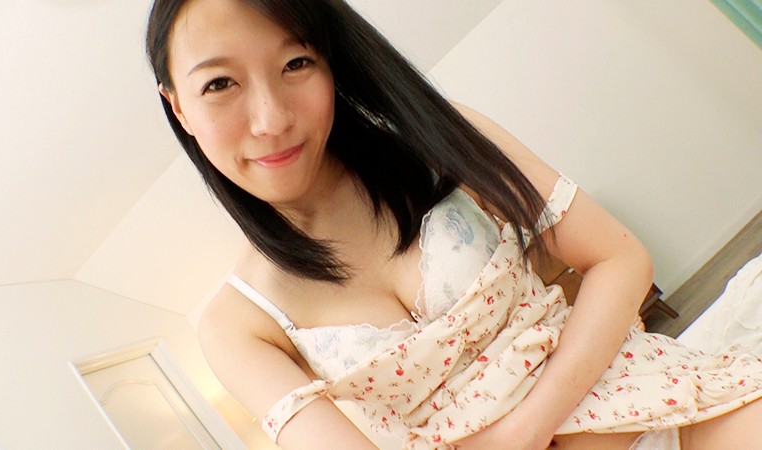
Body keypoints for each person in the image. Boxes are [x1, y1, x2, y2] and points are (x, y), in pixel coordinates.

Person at [144, 0, 762, 448]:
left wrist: (523, 432)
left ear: (331, 64)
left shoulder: (438, 138)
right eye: (219, 83)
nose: (271, 118)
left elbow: (619, 259)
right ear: (179, 107)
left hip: (654, 400)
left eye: (296, 62)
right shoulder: (236, 325)